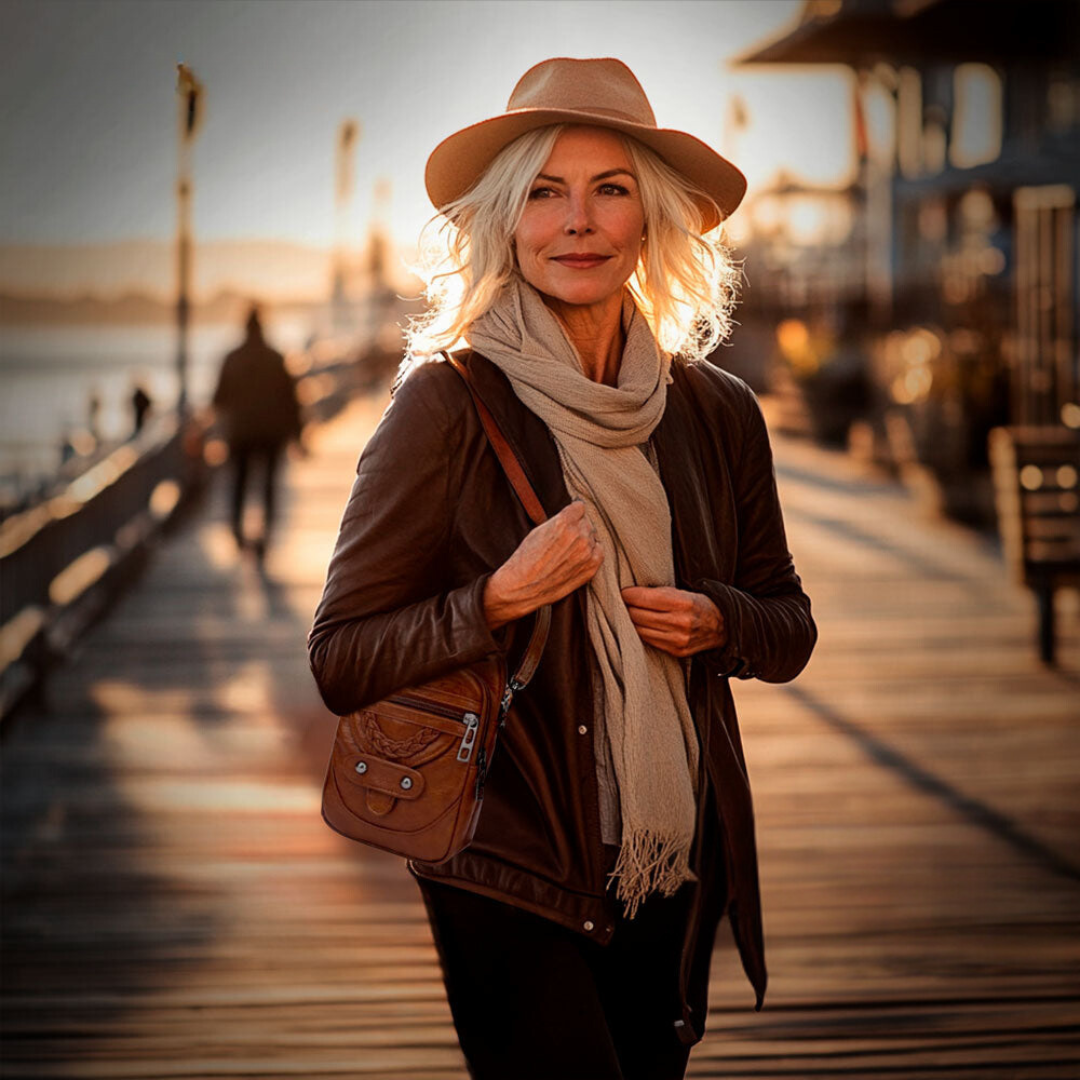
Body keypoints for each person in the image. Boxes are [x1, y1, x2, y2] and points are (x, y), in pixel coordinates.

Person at [307, 57, 817, 1080]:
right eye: (544, 192)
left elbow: (788, 623)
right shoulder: (443, 408)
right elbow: (341, 658)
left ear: (650, 221)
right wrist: (494, 600)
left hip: (672, 862)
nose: (576, 222)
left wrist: (718, 619)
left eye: (609, 190)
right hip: (508, 862)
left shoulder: (716, 412)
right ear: (505, 221)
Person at [212, 305, 302, 557]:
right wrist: (299, 434)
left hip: (240, 433)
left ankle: (238, 534)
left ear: (244, 327)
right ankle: (265, 536)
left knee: (239, 483)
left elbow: (218, 399)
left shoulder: (232, 359)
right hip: (271, 433)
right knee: (268, 486)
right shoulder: (275, 358)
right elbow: (291, 400)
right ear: (263, 326)